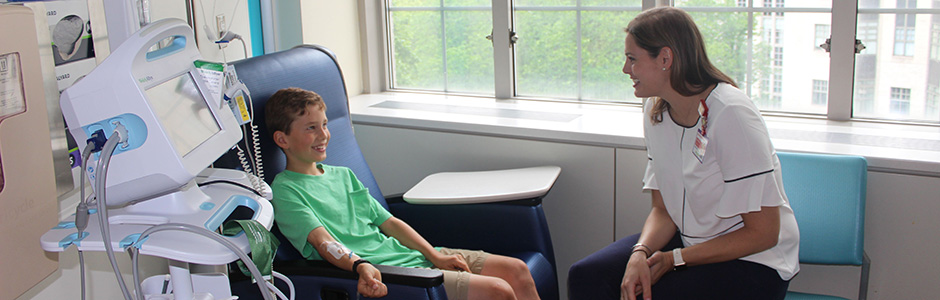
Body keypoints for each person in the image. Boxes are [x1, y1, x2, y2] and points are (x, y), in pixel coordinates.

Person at [567, 7, 799, 300]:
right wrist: (641, 252)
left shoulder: (732, 114)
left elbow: (763, 234)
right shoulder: (655, 111)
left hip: (755, 261)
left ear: (665, 58)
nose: (626, 69)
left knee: (652, 294)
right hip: (689, 244)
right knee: (587, 275)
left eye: (632, 59)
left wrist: (674, 258)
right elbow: (663, 210)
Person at [265, 87, 541, 300]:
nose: (323, 135)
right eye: (311, 128)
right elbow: (323, 241)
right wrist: (360, 266)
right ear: (282, 139)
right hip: (389, 273)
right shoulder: (286, 190)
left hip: (410, 256)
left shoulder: (342, 175)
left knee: (517, 270)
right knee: (498, 290)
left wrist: (435, 255)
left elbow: (390, 223)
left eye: (324, 124)